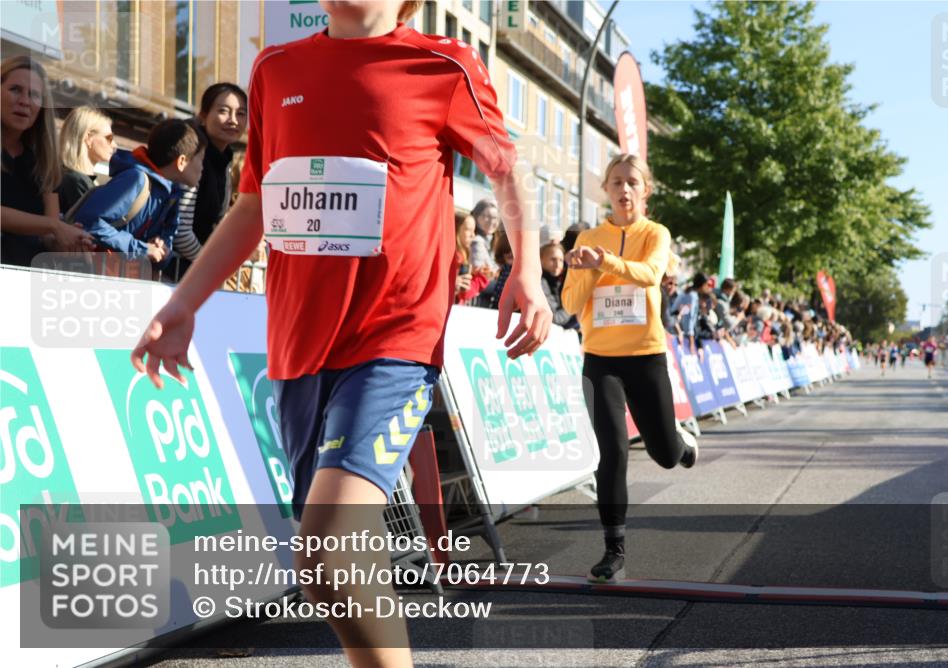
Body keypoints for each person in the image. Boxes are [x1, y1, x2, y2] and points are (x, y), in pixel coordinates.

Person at [129, 2, 551, 665]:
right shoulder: (274, 69)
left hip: (395, 338)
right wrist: (185, 303)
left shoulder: (444, 63)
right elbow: (255, 202)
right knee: (339, 569)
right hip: (298, 348)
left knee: (326, 555)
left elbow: (506, 169)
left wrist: (527, 270)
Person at [562, 153, 697, 584]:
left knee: (663, 454)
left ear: (645, 191)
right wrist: (583, 270)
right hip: (600, 359)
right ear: (605, 189)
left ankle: (681, 445)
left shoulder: (656, 233)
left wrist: (605, 263)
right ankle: (613, 550)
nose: (624, 190)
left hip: (646, 355)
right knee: (613, 450)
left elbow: (651, 274)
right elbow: (568, 304)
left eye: (632, 183)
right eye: (616, 182)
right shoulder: (588, 236)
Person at [71, 118, 207, 277]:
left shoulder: (172, 196)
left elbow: (163, 256)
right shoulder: (136, 179)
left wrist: (162, 250)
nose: (203, 167)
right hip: (94, 278)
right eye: (201, 160)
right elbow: (89, 222)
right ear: (182, 161)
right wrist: (142, 248)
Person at [2, 56, 93, 266]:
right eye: (15, 89)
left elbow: (48, 236)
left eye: (34, 95)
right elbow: (50, 225)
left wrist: (69, 241)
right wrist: (54, 227)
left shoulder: (42, 163)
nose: (25, 101)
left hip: (23, 281)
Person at [170, 82, 248, 281]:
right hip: (175, 275)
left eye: (241, 113)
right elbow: (180, 230)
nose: (233, 120)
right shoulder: (193, 155)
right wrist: (209, 266)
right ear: (203, 116)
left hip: (197, 273)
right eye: (223, 111)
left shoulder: (225, 159)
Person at [57, 106, 117, 214]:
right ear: (89, 139)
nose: (114, 145)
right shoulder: (77, 182)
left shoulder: (72, 177)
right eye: (109, 138)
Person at [454, 211, 488, 305]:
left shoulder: (464, 255)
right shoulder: (454, 256)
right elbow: (464, 292)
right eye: (468, 230)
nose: (473, 235)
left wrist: (478, 275)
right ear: (456, 229)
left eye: (474, 231)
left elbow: (465, 292)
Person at [539, 240, 576, 329]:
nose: (558, 264)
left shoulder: (562, 280)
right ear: (541, 260)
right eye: (553, 259)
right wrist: (574, 307)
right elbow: (554, 318)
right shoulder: (539, 282)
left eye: (561, 260)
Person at [468, 197, 500, 274]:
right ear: (477, 216)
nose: (492, 221)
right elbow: (481, 272)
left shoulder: (492, 242)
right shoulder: (477, 241)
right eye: (487, 217)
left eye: (495, 218)